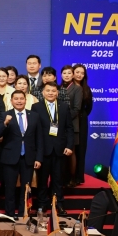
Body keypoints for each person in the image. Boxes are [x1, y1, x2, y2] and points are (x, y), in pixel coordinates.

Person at [0, 90, 43, 218]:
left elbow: (39, 139)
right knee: (9, 188)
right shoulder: (5, 115)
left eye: (21, 98)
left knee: (26, 189)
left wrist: (38, 158)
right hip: (10, 157)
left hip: (28, 157)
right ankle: (9, 214)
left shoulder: (34, 116)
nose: (19, 101)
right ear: (11, 101)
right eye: (16, 99)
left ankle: (23, 214)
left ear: (25, 100)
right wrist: (5, 124)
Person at [33, 82, 73, 216]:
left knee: (58, 179)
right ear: (43, 92)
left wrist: (69, 145)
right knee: (42, 180)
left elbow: (69, 128)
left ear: (57, 93)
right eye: (48, 90)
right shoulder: (36, 107)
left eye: (53, 91)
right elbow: (34, 130)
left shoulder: (64, 106)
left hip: (60, 149)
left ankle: (59, 204)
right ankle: (42, 204)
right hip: (43, 149)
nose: (50, 93)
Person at [59, 64, 82, 187]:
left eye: (69, 73)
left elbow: (76, 109)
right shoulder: (58, 87)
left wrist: (64, 119)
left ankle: (72, 178)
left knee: (71, 152)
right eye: (64, 73)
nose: (67, 75)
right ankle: (63, 178)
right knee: (61, 153)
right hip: (59, 126)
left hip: (72, 125)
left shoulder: (77, 88)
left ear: (73, 75)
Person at [72, 64, 93, 185]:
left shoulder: (87, 89)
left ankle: (79, 177)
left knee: (81, 149)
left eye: (82, 73)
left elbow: (89, 107)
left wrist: (82, 115)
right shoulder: (67, 87)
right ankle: (69, 176)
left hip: (82, 121)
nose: (79, 75)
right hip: (70, 120)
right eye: (77, 72)